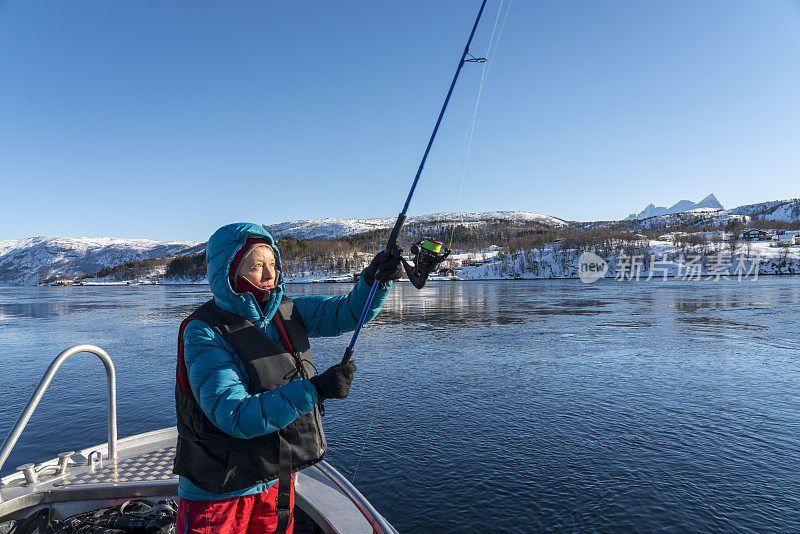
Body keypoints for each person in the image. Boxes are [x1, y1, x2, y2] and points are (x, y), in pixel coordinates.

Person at [173, 222, 402, 534]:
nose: (270, 275)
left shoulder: (288, 310)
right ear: (229, 273)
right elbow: (235, 415)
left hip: (275, 478)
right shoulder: (204, 330)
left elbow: (347, 311)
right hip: (221, 492)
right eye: (256, 266)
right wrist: (314, 389)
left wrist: (374, 282)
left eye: (272, 264)